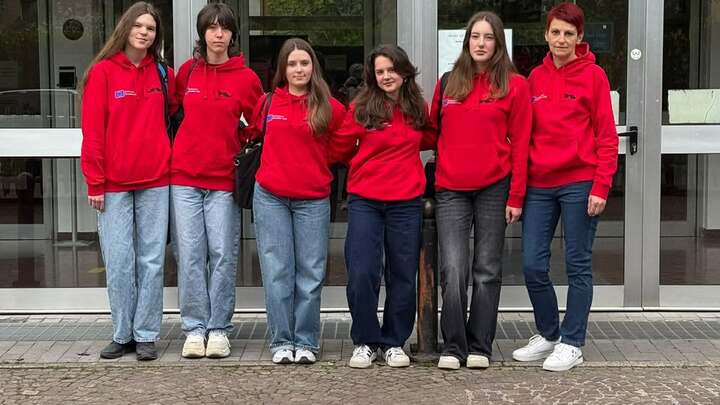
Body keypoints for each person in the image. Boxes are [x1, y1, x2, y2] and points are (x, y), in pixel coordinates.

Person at [512, 2, 618, 372]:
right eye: (555, 32)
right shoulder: (534, 79)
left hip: (579, 182)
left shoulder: (594, 76)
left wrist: (601, 186)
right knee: (532, 264)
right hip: (539, 185)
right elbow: (523, 135)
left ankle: (572, 342)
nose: (561, 39)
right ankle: (549, 333)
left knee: (577, 265)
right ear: (546, 35)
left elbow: (607, 137)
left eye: (568, 33)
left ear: (579, 37)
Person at [429, 11, 532, 370]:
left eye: (488, 37)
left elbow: (521, 143)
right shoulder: (448, 82)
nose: (481, 43)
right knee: (453, 268)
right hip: (450, 189)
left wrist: (516, 195)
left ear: (498, 43)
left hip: (494, 187)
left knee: (486, 269)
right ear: (467, 41)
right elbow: (431, 132)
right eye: (475, 36)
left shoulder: (515, 85)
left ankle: (480, 346)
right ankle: (453, 346)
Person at [80, 1, 174, 361]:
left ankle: (146, 334)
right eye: (139, 26)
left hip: (156, 180)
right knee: (119, 262)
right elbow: (93, 132)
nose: (144, 33)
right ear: (125, 28)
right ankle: (122, 334)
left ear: (156, 35)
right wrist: (95, 181)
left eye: (150, 28)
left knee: (151, 261)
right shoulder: (103, 72)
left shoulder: (162, 74)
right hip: (114, 185)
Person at [331, 44, 434, 369]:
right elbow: (339, 147)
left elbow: (430, 137)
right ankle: (365, 340)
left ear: (404, 71)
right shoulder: (362, 107)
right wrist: (365, 163)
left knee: (402, 274)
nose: (386, 76)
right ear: (372, 76)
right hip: (366, 201)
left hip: (406, 202)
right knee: (362, 271)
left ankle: (393, 342)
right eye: (380, 71)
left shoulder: (417, 107)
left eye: (392, 69)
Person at [171, 3, 263, 359]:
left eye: (224, 28)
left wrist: (239, 146)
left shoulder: (246, 78)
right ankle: (194, 328)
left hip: (224, 180)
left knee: (223, 254)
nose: (218, 34)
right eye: (211, 27)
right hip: (184, 177)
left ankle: (219, 328)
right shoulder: (187, 72)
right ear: (203, 34)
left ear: (232, 34)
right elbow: (173, 111)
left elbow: (256, 125)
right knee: (190, 255)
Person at [250, 38, 345, 365]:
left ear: (313, 67)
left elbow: (345, 140)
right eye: (292, 64)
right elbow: (250, 134)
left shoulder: (328, 106)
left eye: (304, 63)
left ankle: (306, 341)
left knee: (311, 273)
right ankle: (281, 341)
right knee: (277, 272)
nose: (298, 69)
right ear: (283, 69)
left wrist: (317, 162)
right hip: (270, 197)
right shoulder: (268, 103)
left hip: (313, 199)